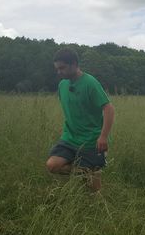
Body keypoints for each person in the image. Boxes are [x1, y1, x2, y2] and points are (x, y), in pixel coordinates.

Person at [46, 48, 115, 192]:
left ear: (74, 64)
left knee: (94, 193)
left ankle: (93, 170)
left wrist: (103, 136)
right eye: (57, 69)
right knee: (52, 165)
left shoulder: (90, 83)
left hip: (91, 140)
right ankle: (89, 170)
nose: (59, 72)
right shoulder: (62, 85)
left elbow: (108, 108)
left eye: (62, 68)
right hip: (70, 138)